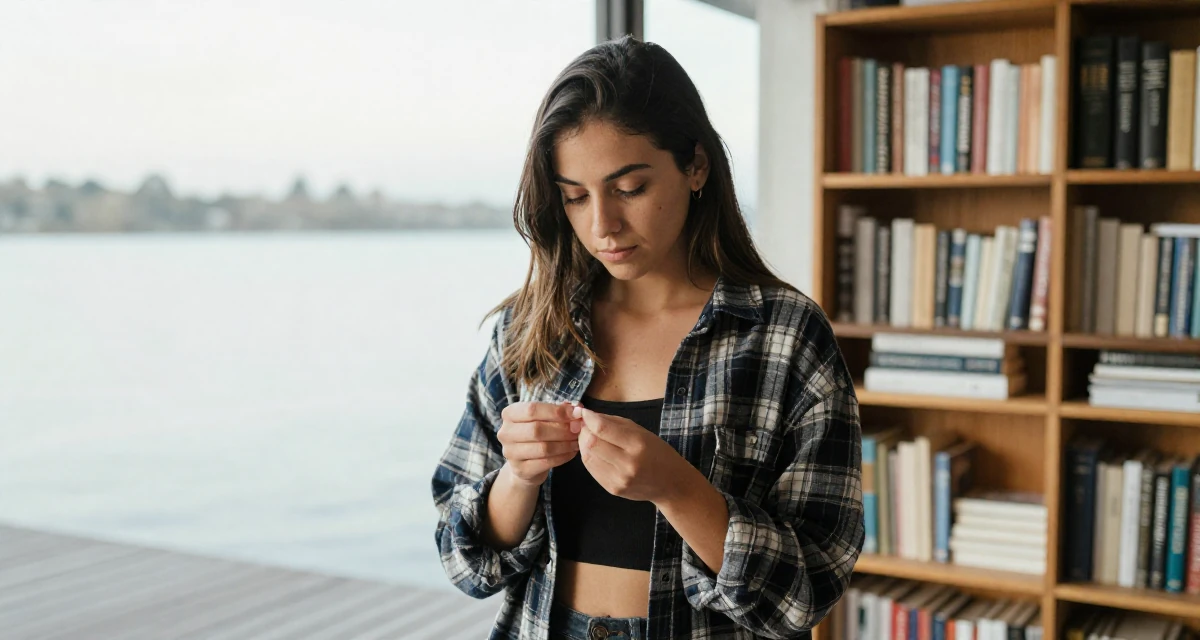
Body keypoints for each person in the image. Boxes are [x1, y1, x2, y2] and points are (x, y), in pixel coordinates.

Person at [431, 35, 863, 640]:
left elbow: (808, 590)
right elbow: (464, 558)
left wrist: (679, 489)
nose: (602, 225)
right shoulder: (531, 330)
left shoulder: (783, 336)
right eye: (575, 197)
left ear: (696, 166)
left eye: (630, 188)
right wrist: (518, 476)